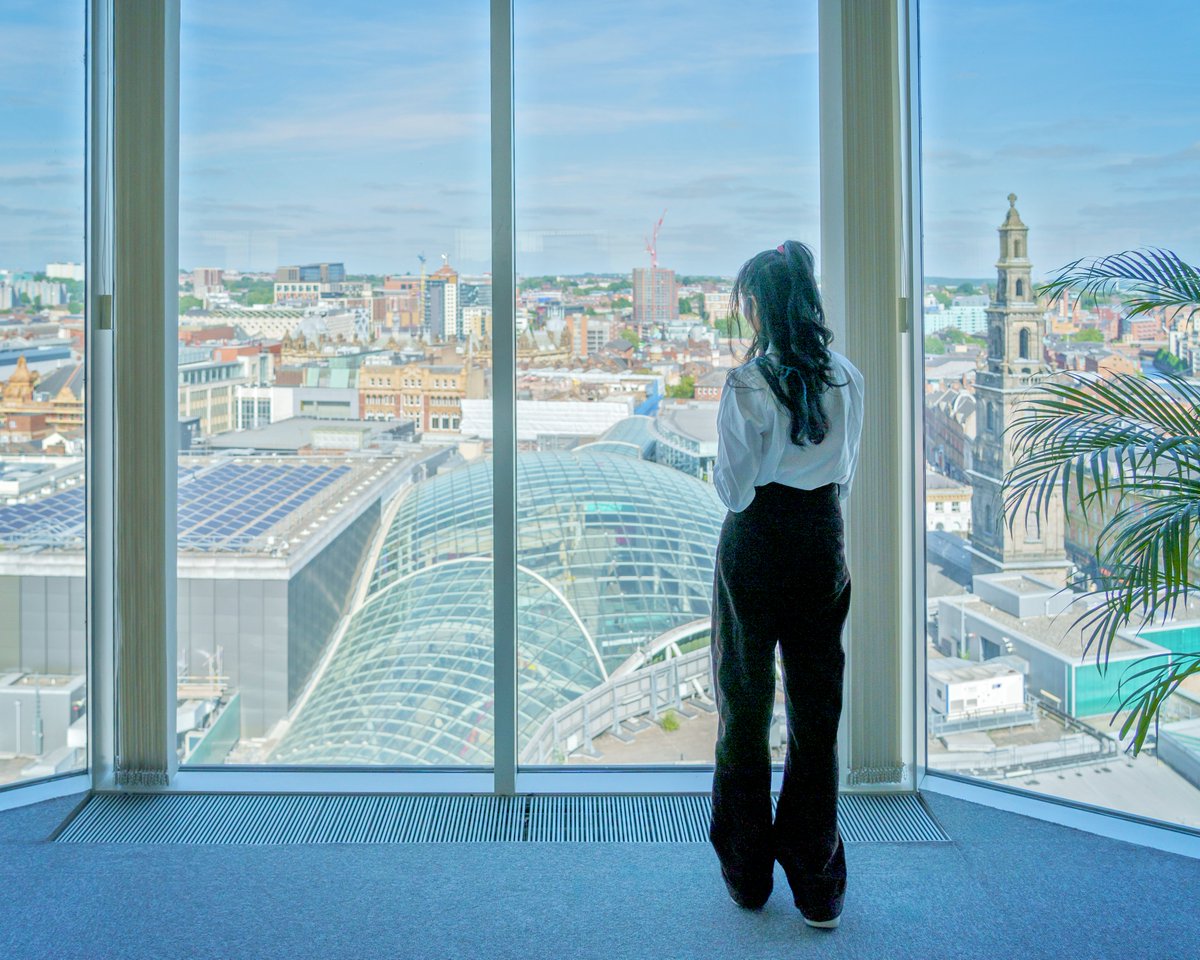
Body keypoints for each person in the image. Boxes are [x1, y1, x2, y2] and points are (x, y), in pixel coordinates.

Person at [708, 240, 864, 929]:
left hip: (756, 541)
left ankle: (747, 875)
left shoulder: (747, 385)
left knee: (744, 703)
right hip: (820, 538)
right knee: (815, 708)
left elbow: (734, 489)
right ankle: (818, 883)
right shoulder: (848, 377)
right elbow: (845, 473)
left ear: (760, 309)